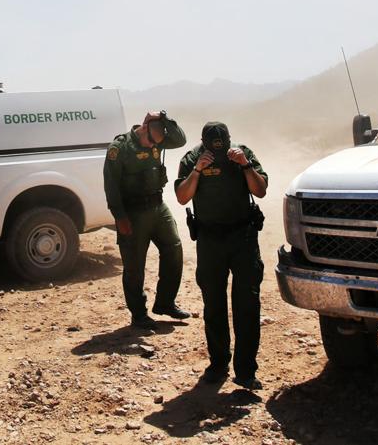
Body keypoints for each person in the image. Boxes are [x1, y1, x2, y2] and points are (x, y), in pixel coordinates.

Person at [175, 121, 268, 389]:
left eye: (222, 145)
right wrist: (198, 170)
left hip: (243, 238)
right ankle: (218, 364)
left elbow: (260, 190)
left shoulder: (242, 153)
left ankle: (246, 370)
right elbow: (182, 197)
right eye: (213, 146)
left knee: (247, 305)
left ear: (229, 140)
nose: (219, 150)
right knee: (213, 304)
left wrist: (245, 165)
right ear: (204, 143)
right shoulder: (193, 158)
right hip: (210, 240)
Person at [103, 111, 191, 329]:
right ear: (143, 128)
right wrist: (120, 217)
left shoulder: (158, 139)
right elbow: (111, 186)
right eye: (151, 141)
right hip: (132, 213)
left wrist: (165, 117)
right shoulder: (120, 148)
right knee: (134, 265)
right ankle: (139, 314)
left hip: (158, 207)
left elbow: (180, 140)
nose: (154, 146)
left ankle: (165, 303)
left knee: (174, 248)